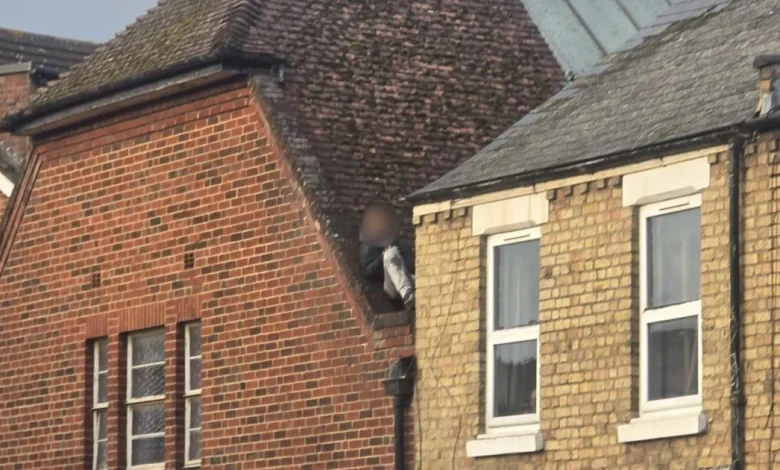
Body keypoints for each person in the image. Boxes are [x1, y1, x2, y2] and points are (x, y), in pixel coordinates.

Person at [359, 203, 415, 309]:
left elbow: (412, 265)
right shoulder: (369, 244)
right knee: (390, 253)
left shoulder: (401, 246)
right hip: (391, 285)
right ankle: (408, 295)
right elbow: (368, 272)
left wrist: (400, 259)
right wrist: (382, 257)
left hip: (407, 278)